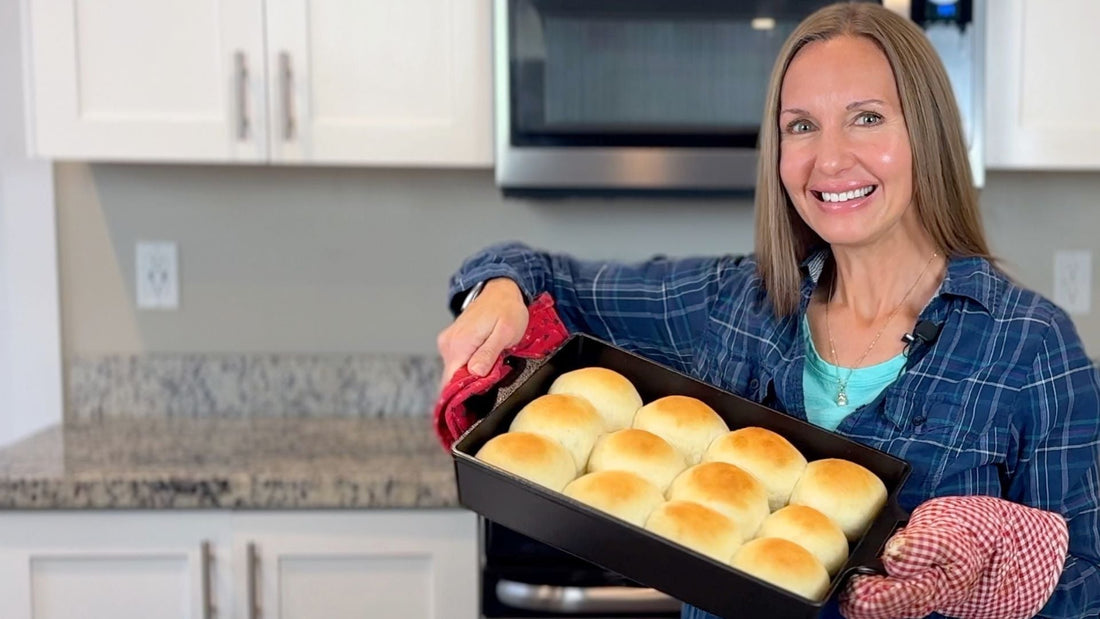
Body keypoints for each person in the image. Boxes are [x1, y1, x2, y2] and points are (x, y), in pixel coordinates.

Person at [436, 3, 1100, 618]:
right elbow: (537, 275)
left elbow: (1090, 579)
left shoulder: (1028, 346)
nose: (831, 158)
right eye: (801, 126)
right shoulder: (733, 305)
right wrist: (495, 292)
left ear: (925, 133)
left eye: (867, 117)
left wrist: (989, 571)